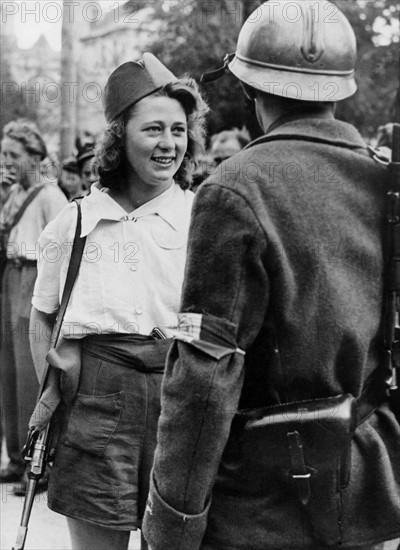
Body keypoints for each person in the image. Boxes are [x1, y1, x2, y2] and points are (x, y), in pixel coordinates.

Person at [142, 2, 400, 550]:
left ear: (250, 90)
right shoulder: (384, 178)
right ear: (340, 88)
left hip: (261, 506)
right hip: (362, 495)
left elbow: (205, 377)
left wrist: (171, 524)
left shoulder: (234, 189)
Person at [29, 52, 207, 550]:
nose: (169, 143)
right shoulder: (77, 221)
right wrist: (53, 391)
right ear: (118, 138)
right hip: (96, 406)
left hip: (180, 401)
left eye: (178, 129)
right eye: (153, 130)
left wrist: (179, 344)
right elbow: (43, 312)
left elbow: (207, 319)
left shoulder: (203, 216)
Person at [0, 119, 67, 490]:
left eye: (13, 154)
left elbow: (60, 250)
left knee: (30, 374)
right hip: (10, 278)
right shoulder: (13, 193)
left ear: (35, 156)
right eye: (3, 153)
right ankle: (13, 457)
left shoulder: (49, 195)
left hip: (34, 279)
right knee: (8, 372)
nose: (5, 161)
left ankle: (35, 465)